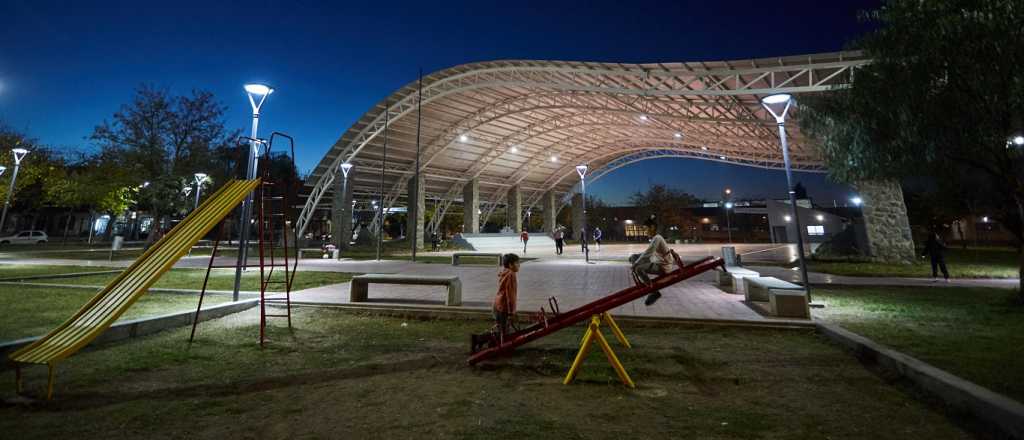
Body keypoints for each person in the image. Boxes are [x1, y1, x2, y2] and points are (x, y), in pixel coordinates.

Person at [629, 234, 679, 306]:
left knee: (638, 268)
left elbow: (649, 251)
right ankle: (640, 274)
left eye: (647, 229)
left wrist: (636, 263)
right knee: (633, 257)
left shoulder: (657, 238)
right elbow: (648, 253)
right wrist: (635, 258)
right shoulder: (655, 238)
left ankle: (653, 291)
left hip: (664, 266)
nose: (646, 232)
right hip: (658, 261)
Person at [492, 253, 520, 338]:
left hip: (497, 304)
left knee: (501, 329)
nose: (519, 265)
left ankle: (499, 344)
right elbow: (510, 294)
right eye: (517, 263)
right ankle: (501, 347)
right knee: (504, 332)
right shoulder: (511, 274)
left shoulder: (505, 272)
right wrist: (511, 311)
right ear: (510, 265)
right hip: (503, 306)